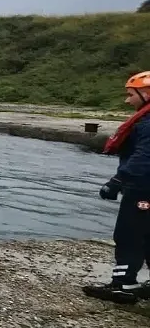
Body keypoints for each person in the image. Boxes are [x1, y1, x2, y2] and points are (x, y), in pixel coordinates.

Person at [83, 71, 150, 304]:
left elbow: (144, 158)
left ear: (146, 94)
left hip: (142, 190)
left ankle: (123, 284)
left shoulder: (148, 124)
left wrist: (117, 181)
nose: (127, 100)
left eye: (131, 95)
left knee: (129, 234)